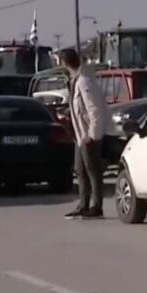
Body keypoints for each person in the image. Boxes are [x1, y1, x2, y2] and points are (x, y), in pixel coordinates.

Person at [59, 49, 110, 219]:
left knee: (92, 170)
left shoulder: (84, 82)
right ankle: (83, 205)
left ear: (64, 62)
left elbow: (94, 109)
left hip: (88, 135)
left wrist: (93, 135)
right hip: (79, 135)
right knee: (80, 170)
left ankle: (97, 206)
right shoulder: (75, 81)